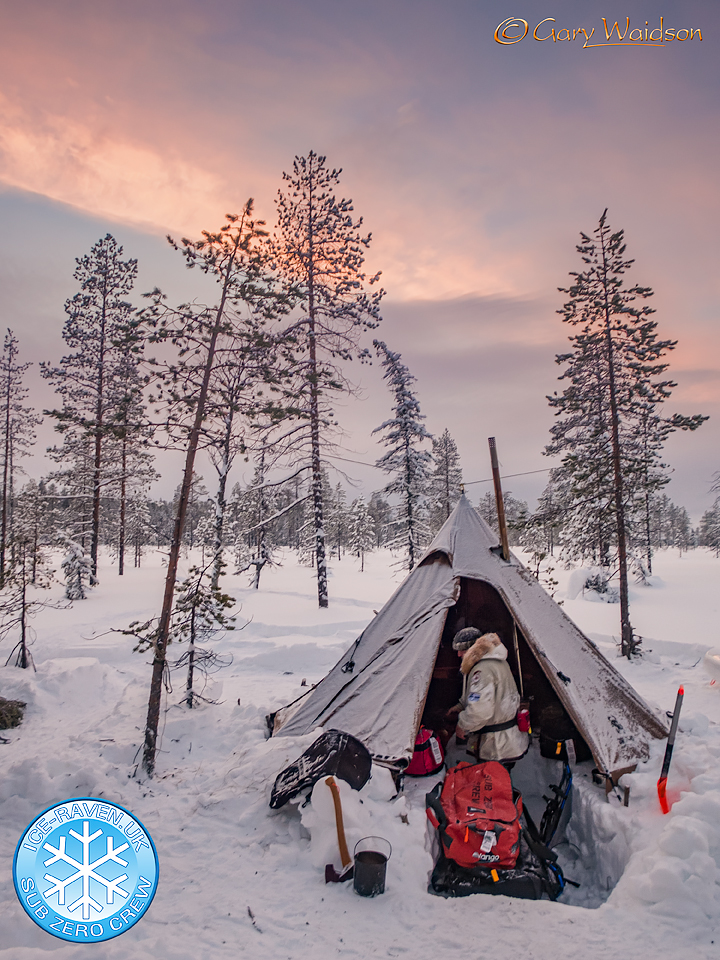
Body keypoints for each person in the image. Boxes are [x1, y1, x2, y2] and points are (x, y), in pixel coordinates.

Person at [447, 627, 528, 766]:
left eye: (462, 650)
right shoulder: (494, 663)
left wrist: (462, 725)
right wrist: (460, 706)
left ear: (474, 650)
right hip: (505, 742)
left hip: (497, 745)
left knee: (495, 784)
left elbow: (480, 711)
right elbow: (482, 697)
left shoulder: (482, 671)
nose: (459, 654)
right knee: (500, 781)